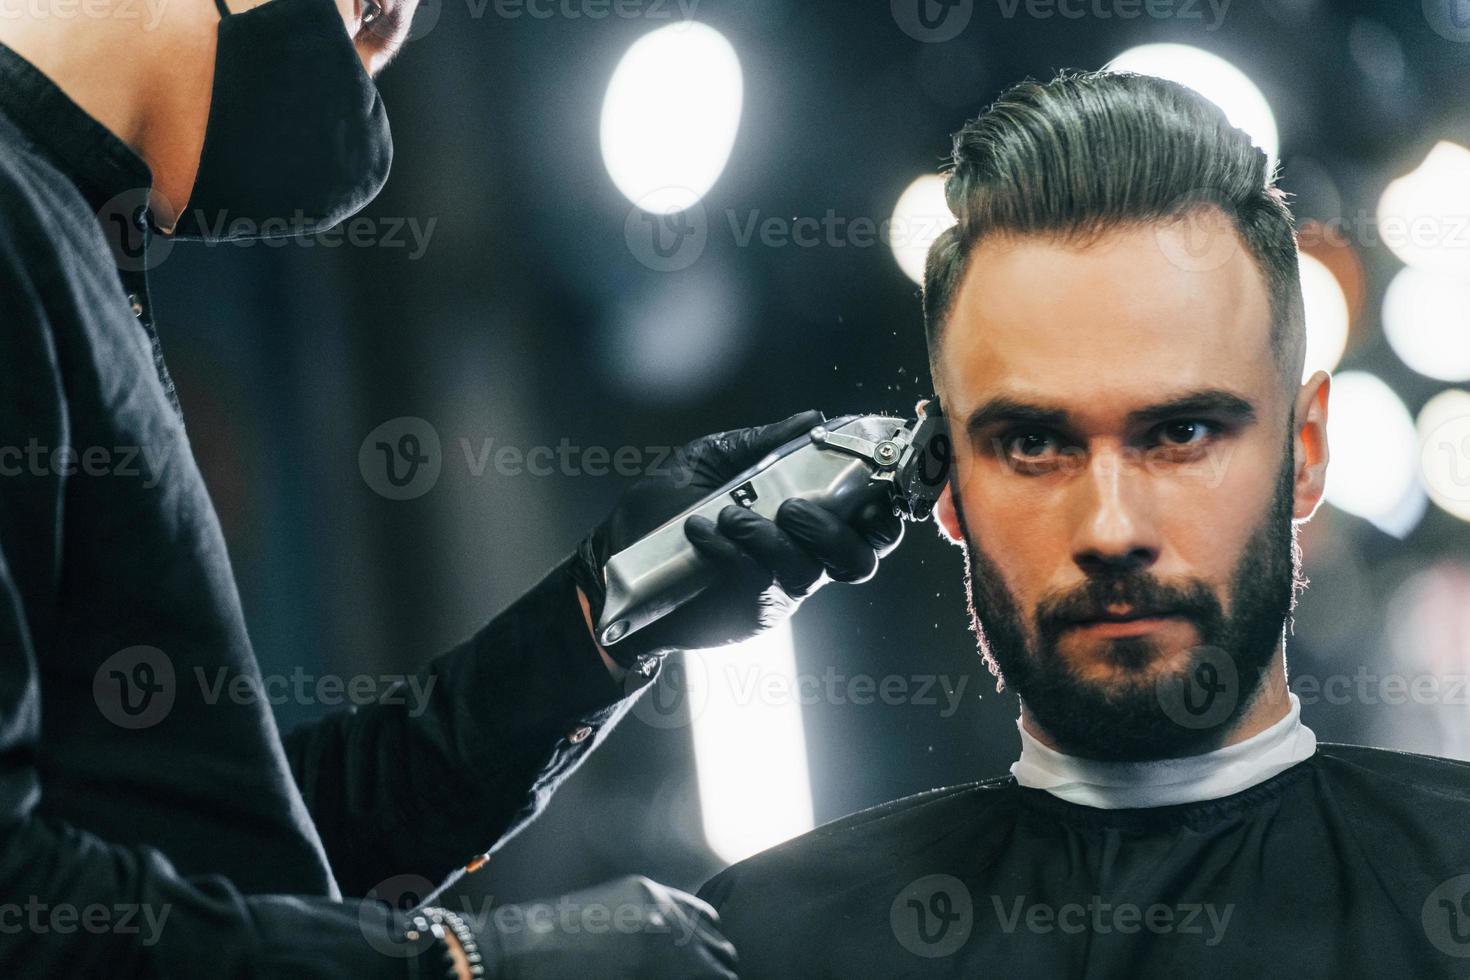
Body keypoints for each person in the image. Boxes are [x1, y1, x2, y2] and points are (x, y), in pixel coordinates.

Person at [0, 0, 905, 976]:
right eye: (372, 7)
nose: (380, 46)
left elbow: (239, 862)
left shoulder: (69, 240)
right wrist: (465, 962)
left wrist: (615, 602)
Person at [697, 70, 1470, 978]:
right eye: (1033, 443)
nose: (1110, 528)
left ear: (1305, 452)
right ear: (944, 479)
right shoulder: (778, 944)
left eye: (1180, 433)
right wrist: (589, 631)